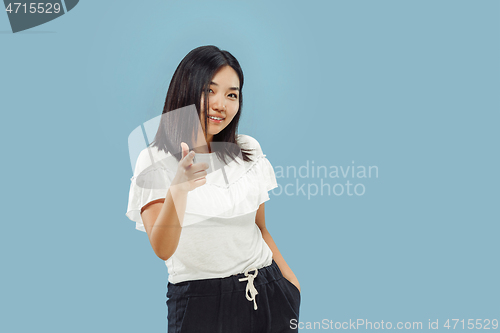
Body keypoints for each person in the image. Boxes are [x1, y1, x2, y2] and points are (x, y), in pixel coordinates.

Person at [126, 45, 301, 332]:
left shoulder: (247, 150)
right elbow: (163, 248)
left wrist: (291, 285)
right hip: (201, 304)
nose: (221, 104)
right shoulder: (154, 159)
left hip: (268, 293)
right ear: (186, 90)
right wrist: (179, 189)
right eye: (210, 90)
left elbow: (260, 228)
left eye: (232, 94)